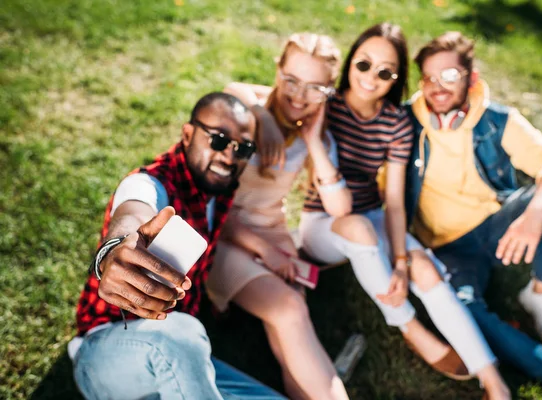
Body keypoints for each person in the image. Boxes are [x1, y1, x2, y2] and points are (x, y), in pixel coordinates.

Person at [294, 23, 510, 399]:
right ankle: (408, 326)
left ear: (396, 78)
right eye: (364, 64)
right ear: (350, 62)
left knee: (423, 267)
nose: (370, 77)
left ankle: (493, 381)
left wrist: (398, 260)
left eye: (385, 71)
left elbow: (393, 200)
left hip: (371, 216)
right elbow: (275, 98)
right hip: (322, 224)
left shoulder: (395, 122)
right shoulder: (324, 106)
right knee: (359, 228)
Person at [401, 31, 542, 398]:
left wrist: (535, 213)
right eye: (429, 78)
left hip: (494, 228)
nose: (437, 87)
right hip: (444, 250)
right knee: (463, 311)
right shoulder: (406, 125)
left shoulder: (496, 120)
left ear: (471, 78)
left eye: (449, 76)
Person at [69, 92, 286, 399]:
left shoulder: (219, 187)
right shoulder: (150, 183)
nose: (229, 157)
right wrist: (116, 248)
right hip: (110, 351)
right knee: (182, 334)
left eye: (243, 148)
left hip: (182, 357)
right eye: (219, 140)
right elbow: (132, 212)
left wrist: (264, 117)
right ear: (187, 134)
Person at [207, 33, 351, 400]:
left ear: (329, 92)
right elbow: (231, 90)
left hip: (271, 231)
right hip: (221, 232)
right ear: (277, 70)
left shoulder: (313, 134)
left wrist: (316, 142)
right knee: (288, 308)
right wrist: (259, 115)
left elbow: (338, 209)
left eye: (315, 87)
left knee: (292, 318)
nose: (299, 96)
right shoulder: (243, 115)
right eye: (291, 80)